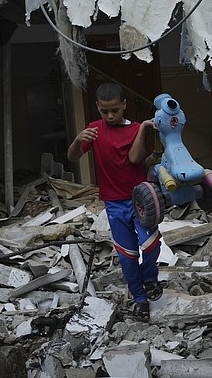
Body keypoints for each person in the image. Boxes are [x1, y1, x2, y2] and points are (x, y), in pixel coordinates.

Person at [67, 83, 162, 322]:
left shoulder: (137, 129)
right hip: (114, 203)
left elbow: (135, 158)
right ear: (97, 108)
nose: (110, 116)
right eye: (104, 111)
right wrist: (79, 139)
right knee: (127, 254)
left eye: (115, 111)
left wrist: (142, 130)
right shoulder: (94, 130)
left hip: (140, 198)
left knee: (151, 244)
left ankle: (149, 278)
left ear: (124, 106)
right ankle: (140, 298)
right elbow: (72, 156)